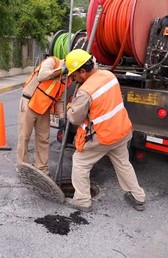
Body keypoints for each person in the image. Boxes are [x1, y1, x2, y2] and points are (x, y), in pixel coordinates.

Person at [63, 49, 146, 212]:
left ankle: (82, 201)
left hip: (103, 136)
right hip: (121, 131)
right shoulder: (109, 76)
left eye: (74, 75)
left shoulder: (85, 91)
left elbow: (74, 118)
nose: (73, 79)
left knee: (80, 162)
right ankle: (138, 197)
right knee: (123, 163)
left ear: (83, 71)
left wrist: (69, 108)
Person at [16, 54, 68, 176]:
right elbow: (42, 76)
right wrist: (60, 71)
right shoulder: (52, 62)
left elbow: (59, 100)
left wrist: (61, 118)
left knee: (43, 139)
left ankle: (42, 169)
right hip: (29, 102)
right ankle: (23, 167)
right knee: (24, 137)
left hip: (44, 108)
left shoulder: (66, 78)